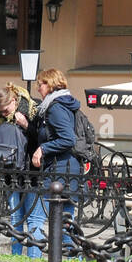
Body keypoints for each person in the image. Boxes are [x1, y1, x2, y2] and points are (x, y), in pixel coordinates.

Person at [0, 84, 46, 258]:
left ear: (14, 101)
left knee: (34, 220)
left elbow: (44, 138)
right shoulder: (4, 119)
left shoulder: (35, 109)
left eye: (5, 110)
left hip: (33, 174)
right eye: (0, 112)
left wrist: (27, 125)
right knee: (15, 219)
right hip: (11, 175)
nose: (3, 114)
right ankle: (16, 259)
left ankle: (33, 260)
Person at [30, 68, 82, 246]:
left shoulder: (55, 108)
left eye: (41, 84)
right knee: (66, 222)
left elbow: (68, 139)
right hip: (68, 168)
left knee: (36, 217)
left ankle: (31, 261)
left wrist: (42, 149)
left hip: (58, 169)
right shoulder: (64, 104)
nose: (38, 88)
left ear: (51, 85)